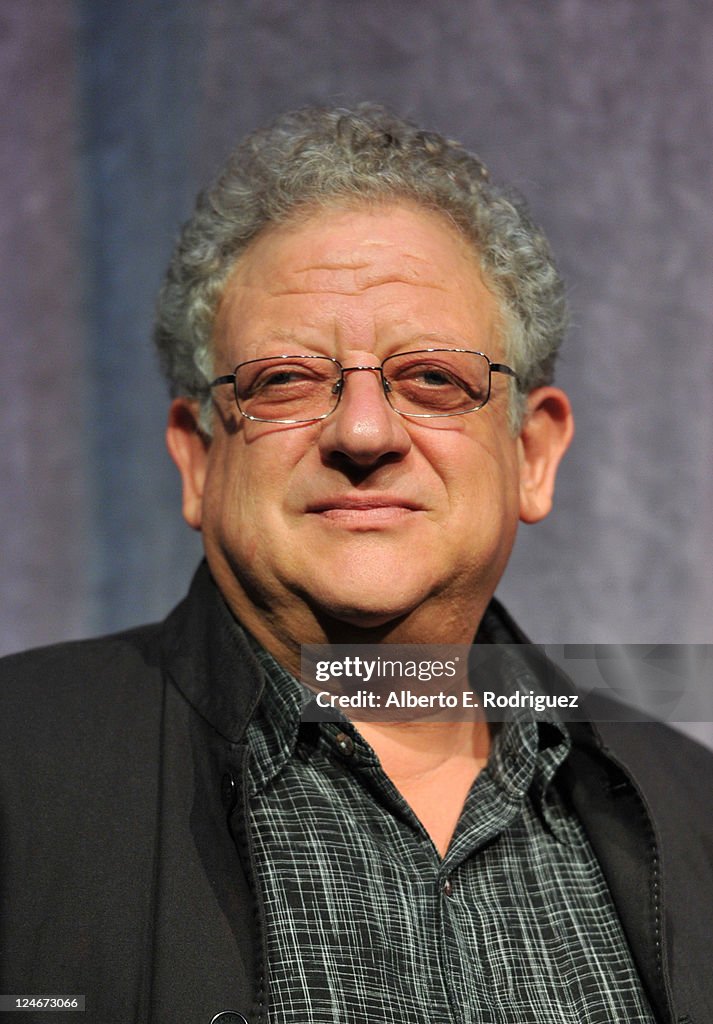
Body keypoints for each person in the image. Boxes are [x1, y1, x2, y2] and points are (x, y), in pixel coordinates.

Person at [0, 105, 711, 1024]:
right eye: (284, 382)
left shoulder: (694, 813)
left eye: (433, 380)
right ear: (199, 458)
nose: (363, 433)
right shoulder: (15, 767)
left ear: (531, 454)